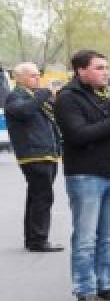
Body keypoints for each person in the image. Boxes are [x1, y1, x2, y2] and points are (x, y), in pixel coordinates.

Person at [54, 50, 110, 301]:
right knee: (85, 238)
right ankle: (85, 290)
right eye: (99, 67)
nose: (106, 72)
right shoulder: (68, 98)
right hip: (85, 175)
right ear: (81, 71)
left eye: (107, 67)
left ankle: (107, 285)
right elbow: (80, 135)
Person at [5, 62, 64, 252]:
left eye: (38, 75)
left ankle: (32, 239)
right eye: (32, 76)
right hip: (33, 154)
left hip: (47, 153)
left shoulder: (35, 96)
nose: (37, 78)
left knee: (36, 197)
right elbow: (24, 111)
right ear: (19, 78)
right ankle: (39, 240)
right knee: (43, 197)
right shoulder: (15, 96)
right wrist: (42, 95)